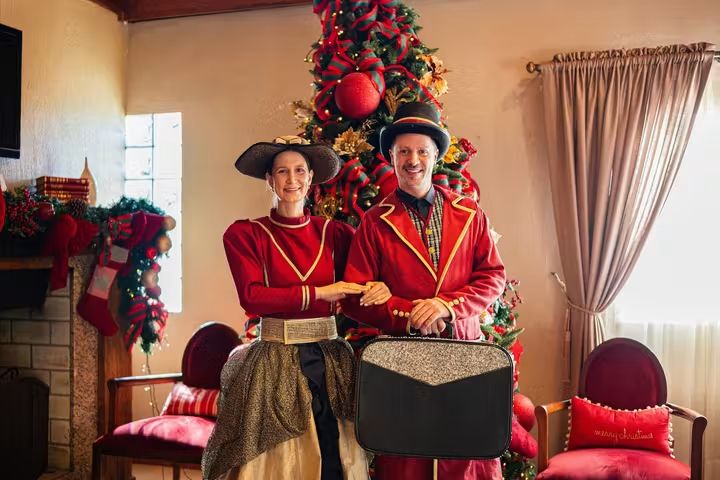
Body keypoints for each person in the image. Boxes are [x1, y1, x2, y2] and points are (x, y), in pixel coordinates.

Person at [202, 135, 384, 480]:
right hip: (274, 359)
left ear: (311, 178)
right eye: (282, 171)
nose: (292, 179)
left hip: (331, 360)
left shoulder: (337, 234)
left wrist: (379, 288)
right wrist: (321, 293)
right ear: (269, 179)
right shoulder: (247, 234)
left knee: (336, 454)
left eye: (300, 170)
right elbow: (253, 297)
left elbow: (357, 291)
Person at [341, 103, 507, 480]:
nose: (412, 160)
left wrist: (446, 306)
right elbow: (354, 296)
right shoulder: (374, 222)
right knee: (407, 460)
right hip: (404, 359)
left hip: (464, 353)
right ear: (391, 157)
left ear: (435, 156)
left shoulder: (470, 213)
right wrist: (409, 312)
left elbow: (493, 277)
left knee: (466, 457)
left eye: (421, 151)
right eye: (403, 151)